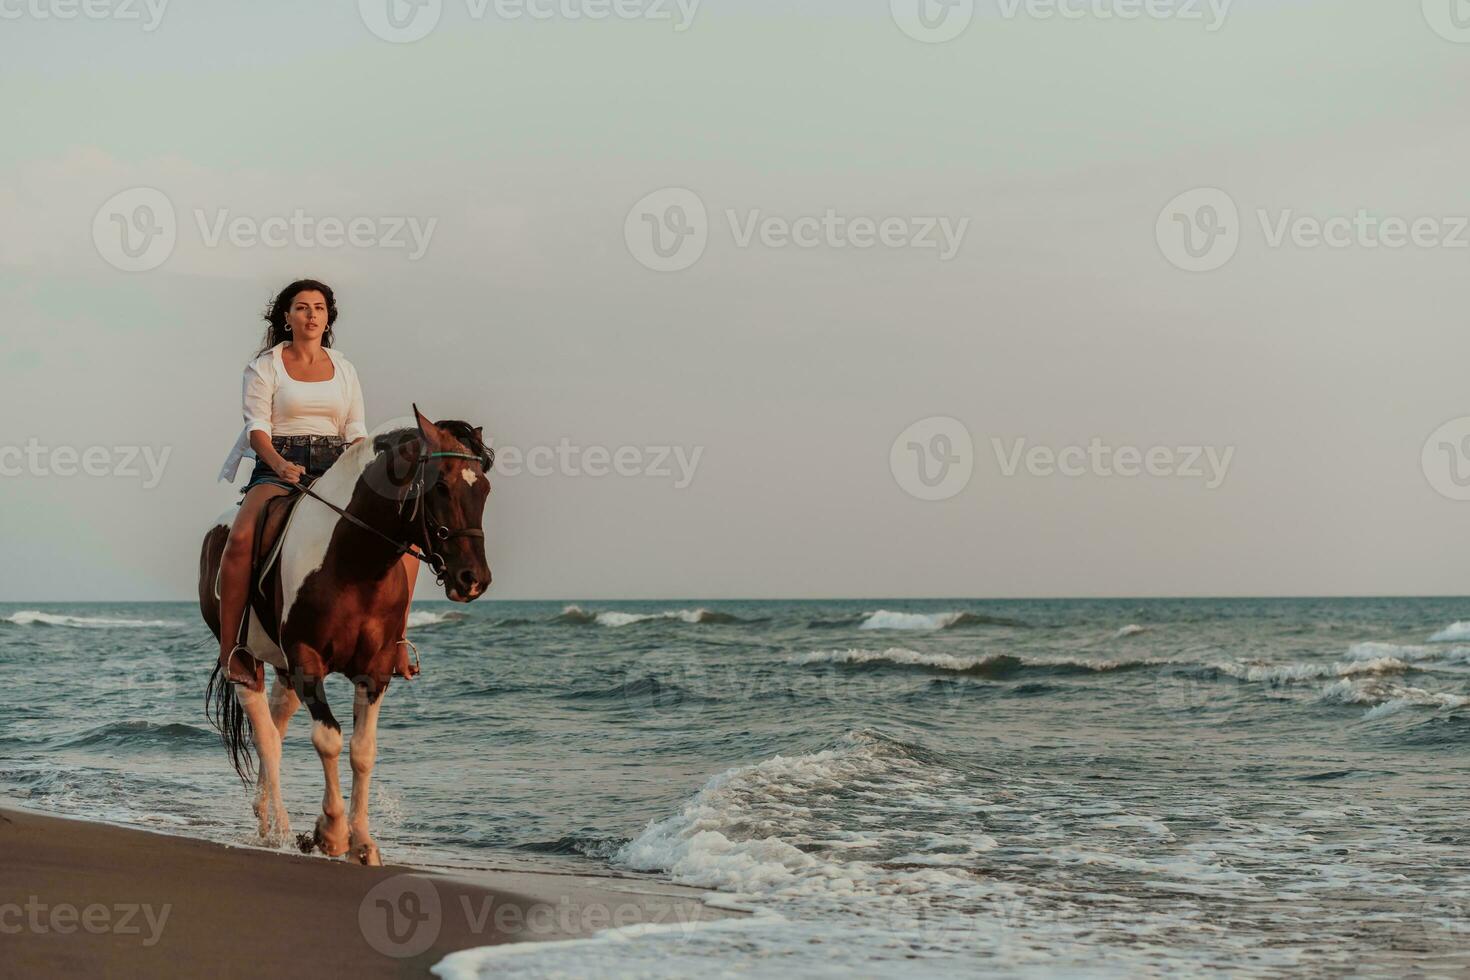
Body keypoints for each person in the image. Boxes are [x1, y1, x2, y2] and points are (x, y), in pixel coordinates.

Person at [215, 279, 419, 686]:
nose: (312, 315)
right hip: (278, 466)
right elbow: (257, 429)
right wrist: (279, 463)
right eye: (303, 307)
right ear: (287, 317)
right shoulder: (266, 366)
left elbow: (355, 429)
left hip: (336, 465)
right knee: (239, 542)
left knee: (407, 541)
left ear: (328, 317)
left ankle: (396, 641)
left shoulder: (343, 368)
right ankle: (232, 652)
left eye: (319, 308)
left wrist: (365, 471)